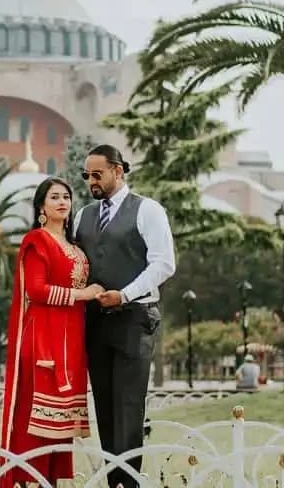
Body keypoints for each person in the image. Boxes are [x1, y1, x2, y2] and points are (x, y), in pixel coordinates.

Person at [76, 144, 176, 488]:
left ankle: (129, 484)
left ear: (118, 171)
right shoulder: (83, 215)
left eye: (97, 174)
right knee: (104, 407)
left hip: (134, 318)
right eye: (87, 175)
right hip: (95, 322)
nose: (91, 181)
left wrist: (125, 294)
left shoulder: (148, 210)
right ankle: (113, 483)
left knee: (129, 407)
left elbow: (164, 263)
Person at [0, 177, 105, 488]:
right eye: (55, 197)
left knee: (60, 425)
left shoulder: (74, 247)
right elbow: (36, 290)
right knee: (35, 418)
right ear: (41, 207)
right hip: (43, 336)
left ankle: (51, 482)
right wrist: (83, 295)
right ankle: (29, 480)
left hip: (70, 339)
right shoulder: (37, 241)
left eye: (66, 197)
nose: (62, 202)